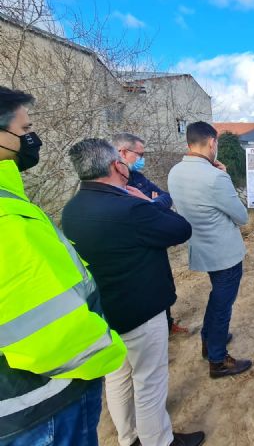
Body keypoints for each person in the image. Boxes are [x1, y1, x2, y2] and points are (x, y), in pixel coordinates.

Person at [0, 87, 126, 445]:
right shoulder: (6, 215)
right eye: (24, 132)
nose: (32, 140)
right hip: (40, 406)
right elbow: (46, 327)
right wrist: (109, 349)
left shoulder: (14, 202)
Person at [62, 138, 204, 446]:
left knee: (117, 377)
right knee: (149, 381)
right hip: (141, 308)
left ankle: (128, 438)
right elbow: (180, 229)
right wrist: (147, 201)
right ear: (116, 165)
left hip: (104, 310)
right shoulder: (131, 207)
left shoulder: (71, 209)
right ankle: (159, 440)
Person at [167, 121, 252, 379]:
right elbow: (242, 216)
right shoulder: (216, 177)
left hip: (201, 247)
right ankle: (217, 359)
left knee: (217, 297)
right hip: (224, 253)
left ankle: (209, 339)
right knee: (223, 304)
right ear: (212, 142)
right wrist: (224, 176)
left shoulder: (175, 172)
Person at [112, 132, 188, 336]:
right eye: (139, 154)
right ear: (122, 152)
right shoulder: (113, 185)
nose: (142, 159)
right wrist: (151, 204)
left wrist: (151, 203)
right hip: (135, 248)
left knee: (164, 285)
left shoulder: (138, 178)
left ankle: (168, 324)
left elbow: (166, 197)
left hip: (155, 244)